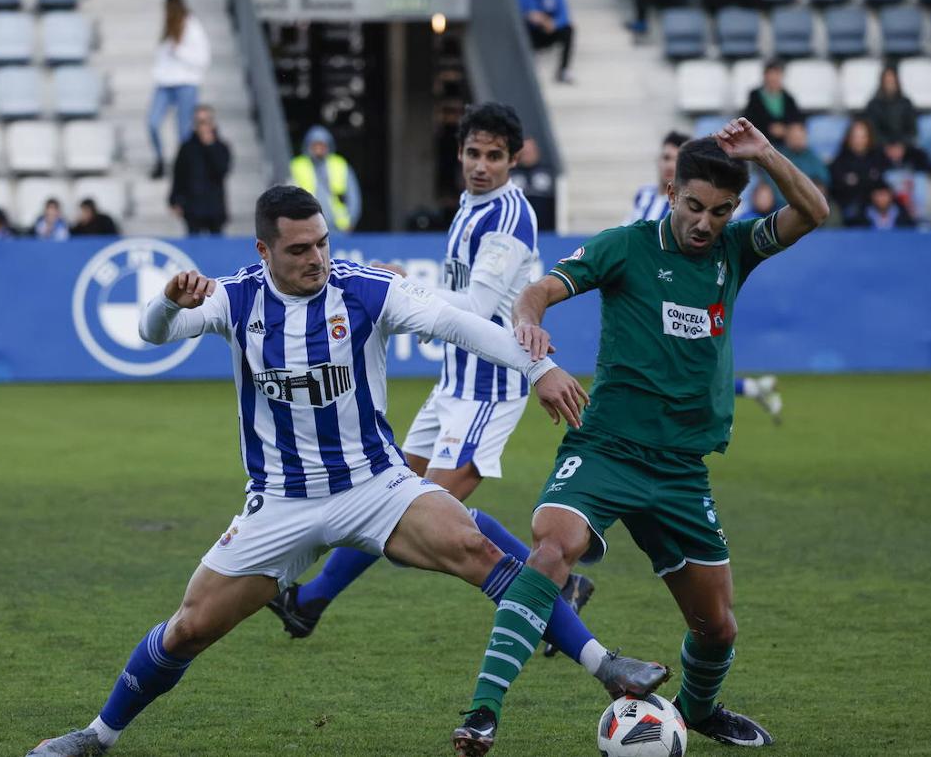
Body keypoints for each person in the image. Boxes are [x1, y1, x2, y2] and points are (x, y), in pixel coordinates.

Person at [22, 185, 668, 757]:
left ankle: (605, 664)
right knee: (190, 627)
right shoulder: (237, 297)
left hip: (375, 485)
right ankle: (97, 737)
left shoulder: (364, 289)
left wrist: (538, 367)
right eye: (299, 249)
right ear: (265, 249)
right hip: (280, 500)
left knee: (476, 547)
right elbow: (151, 333)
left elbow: (457, 323)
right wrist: (167, 302)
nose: (316, 259)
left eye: (322, 243)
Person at [451, 119, 829, 755]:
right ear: (671, 190)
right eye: (693, 206)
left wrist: (764, 152)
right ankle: (483, 710)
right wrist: (534, 337)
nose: (705, 224)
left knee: (718, 630)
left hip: (681, 469)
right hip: (607, 450)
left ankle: (697, 711)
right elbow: (536, 292)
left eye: (720, 211)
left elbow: (813, 211)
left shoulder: (735, 251)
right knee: (550, 550)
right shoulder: (625, 246)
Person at [267, 104, 595, 657]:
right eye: (473, 153)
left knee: (426, 516)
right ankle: (312, 602)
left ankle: (559, 587)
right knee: (387, 495)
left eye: (495, 156)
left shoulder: (510, 219)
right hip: (453, 383)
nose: (481, 165)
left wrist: (403, 293)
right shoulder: (471, 203)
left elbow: (476, 304)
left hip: (488, 388)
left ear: (515, 159)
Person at [626, 130, 783, 422]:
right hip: (646, 287)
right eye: (664, 157)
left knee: (687, 363)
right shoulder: (644, 196)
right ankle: (749, 388)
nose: (666, 164)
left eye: (673, 158)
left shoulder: (702, 212)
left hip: (683, 287)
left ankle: (740, 393)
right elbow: (629, 231)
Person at [147, 0, 209, 180]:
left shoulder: (193, 28)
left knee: (183, 131)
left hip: (186, 83)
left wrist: (178, 51)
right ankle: (160, 159)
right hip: (165, 84)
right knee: (152, 123)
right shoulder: (168, 29)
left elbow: (203, 59)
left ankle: (184, 167)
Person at [169, 104, 231, 235]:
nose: (202, 126)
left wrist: (210, 146)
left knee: (217, 245)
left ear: (212, 123)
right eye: (198, 122)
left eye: (205, 121)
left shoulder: (221, 147)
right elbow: (178, 175)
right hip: (192, 207)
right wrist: (174, 199)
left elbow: (222, 171)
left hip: (214, 207)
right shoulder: (186, 148)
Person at [290, 125, 362, 233]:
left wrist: (351, 222)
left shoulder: (340, 165)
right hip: (307, 226)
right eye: (315, 145)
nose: (319, 148)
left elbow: (354, 197)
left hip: (338, 227)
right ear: (308, 145)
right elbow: (287, 199)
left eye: (322, 144)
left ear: (329, 146)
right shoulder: (297, 166)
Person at [829, 119, 889, 226]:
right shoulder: (839, 161)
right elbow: (837, 189)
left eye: (863, 136)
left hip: (875, 207)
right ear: (849, 138)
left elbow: (882, 185)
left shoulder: (878, 158)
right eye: (855, 136)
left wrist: (856, 181)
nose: (859, 141)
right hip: (849, 210)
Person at [625, 131, 689, 224]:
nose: (670, 166)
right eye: (666, 158)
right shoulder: (644, 193)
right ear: (658, 160)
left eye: (677, 161)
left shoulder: (683, 204)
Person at [516, 0, 575, 83]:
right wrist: (529, 16)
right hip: (532, 32)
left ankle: (563, 70)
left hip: (549, 30)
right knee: (524, 31)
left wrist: (553, 23)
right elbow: (516, 14)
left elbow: (564, 16)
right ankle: (527, 69)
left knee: (568, 30)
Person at [741, 60, 802, 145]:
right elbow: (749, 120)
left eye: (777, 74)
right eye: (770, 74)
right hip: (761, 141)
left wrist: (785, 130)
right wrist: (769, 128)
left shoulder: (788, 97)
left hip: (785, 143)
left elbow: (796, 119)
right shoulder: (755, 96)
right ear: (765, 76)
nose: (773, 78)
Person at [864, 65, 918, 149]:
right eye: (887, 81)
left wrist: (901, 146)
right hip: (881, 150)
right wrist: (887, 147)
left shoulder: (906, 103)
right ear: (882, 82)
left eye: (892, 81)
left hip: (904, 149)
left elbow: (912, 131)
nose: (890, 83)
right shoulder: (873, 105)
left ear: (897, 82)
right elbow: (873, 132)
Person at [508, 136, 554, 228]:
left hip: (546, 230)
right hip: (518, 228)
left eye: (531, 151)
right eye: (525, 152)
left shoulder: (550, 172)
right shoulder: (510, 174)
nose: (528, 155)